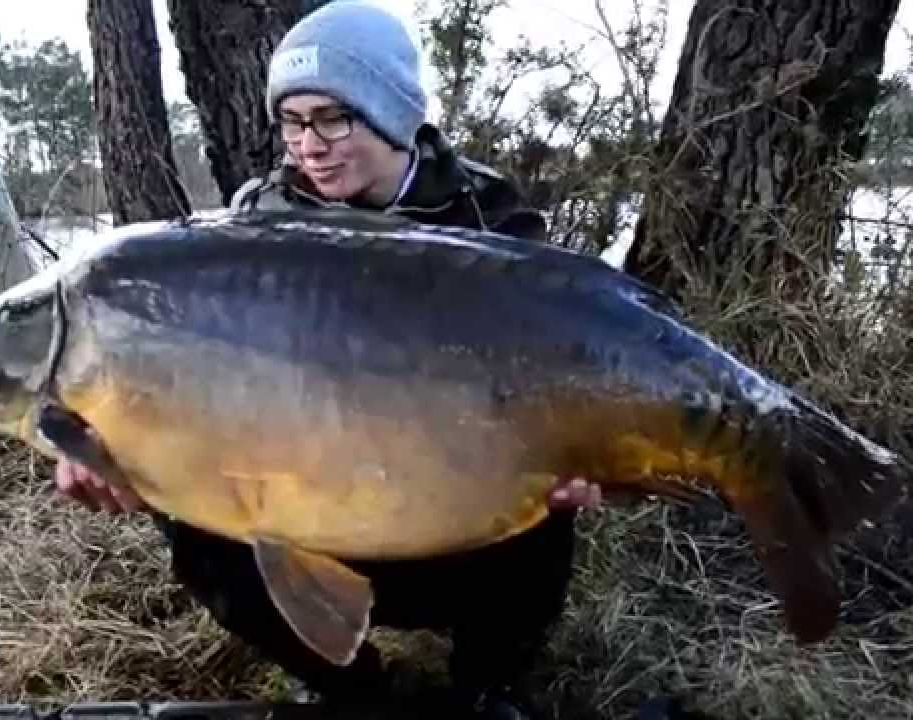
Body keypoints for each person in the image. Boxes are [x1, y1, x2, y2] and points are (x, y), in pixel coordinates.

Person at [55, 2, 603, 718]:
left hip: (450, 490)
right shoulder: (259, 221)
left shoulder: (487, 212)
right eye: (293, 121)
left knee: (543, 506)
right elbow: (192, 364)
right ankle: (347, 684)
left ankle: (487, 682)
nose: (308, 144)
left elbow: (556, 360)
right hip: (315, 487)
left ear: (391, 113)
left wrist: (584, 453)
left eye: (333, 118)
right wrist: (100, 435)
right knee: (197, 526)